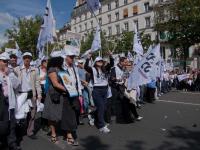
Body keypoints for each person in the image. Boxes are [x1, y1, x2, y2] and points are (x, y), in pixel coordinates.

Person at [84, 52, 114, 133]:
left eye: (101, 61)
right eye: (98, 61)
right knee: (101, 107)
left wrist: (110, 56)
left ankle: (93, 115)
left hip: (105, 90)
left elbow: (111, 64)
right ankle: (101, 126)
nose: (100, 62)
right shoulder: (92, 69)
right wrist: (88, 58)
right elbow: (86, 67)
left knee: (103, 108)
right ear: (95, 63)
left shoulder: (105, 69)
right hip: (97, 90)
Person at [14, 52, 42, 138]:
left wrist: (39, 94)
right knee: (20, 115)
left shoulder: (35, 70)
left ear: (31, 59)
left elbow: (37, 83)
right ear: (23, 59)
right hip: (20, 95)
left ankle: (30, 132)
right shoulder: (17, 69)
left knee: (32, 114)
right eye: (25, 57)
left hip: (31, 94)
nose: (27, 59)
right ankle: (19, 131)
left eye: (29, 57)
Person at [60, 49, 82, 145]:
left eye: (73, 57)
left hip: (75, 93)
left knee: (76, 111)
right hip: (66, 94)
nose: (72, 59)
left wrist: (80, 92)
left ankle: (69, 130)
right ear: (66, 57)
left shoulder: (74, 67)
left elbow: (77, 79)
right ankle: (69, 134)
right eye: (71, 57)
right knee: (68, 114)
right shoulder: (62, 67)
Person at [42, 56, 66, 144]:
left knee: (60, 114)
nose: (62, 62)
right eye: (61, 60)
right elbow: (55, 84)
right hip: (53, 95)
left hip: (62, 94)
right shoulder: (52, 69)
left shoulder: (62, 70)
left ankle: (60, 129)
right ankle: (53, 133)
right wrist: (67, 89)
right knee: (51, 115)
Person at [0, 52, 21, 150]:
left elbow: (17, 85)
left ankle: (12, 143)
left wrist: (9, 74)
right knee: (2, 124)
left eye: (7, 62)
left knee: (12, 124)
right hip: (1, 103)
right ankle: (3, 142)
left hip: (10, 102)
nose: (6, 64)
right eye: (4, 61)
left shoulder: (10, 73)